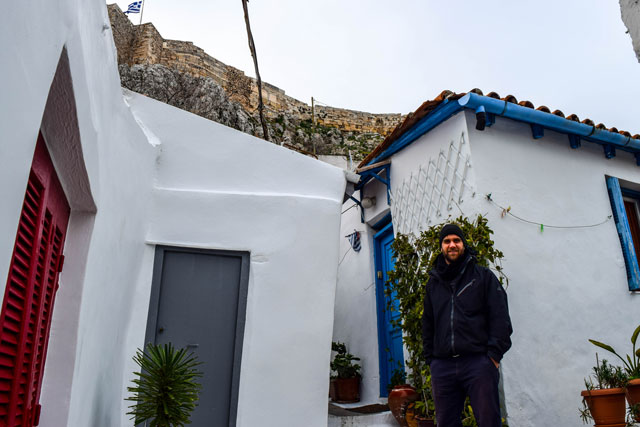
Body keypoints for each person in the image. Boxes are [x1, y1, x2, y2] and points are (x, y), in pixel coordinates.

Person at [422, 223, 512, 427]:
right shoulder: (433, 284)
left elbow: (500, 317)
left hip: (478, 363)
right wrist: (431, 360)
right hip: (442, 366)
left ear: (463, 244)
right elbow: (428, 322)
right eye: (447, 241)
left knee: (488, 421)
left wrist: (493, 356)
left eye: (456, 240)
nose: (452, 245)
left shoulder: (483, 277)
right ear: (441, 246)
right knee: (446, 423)